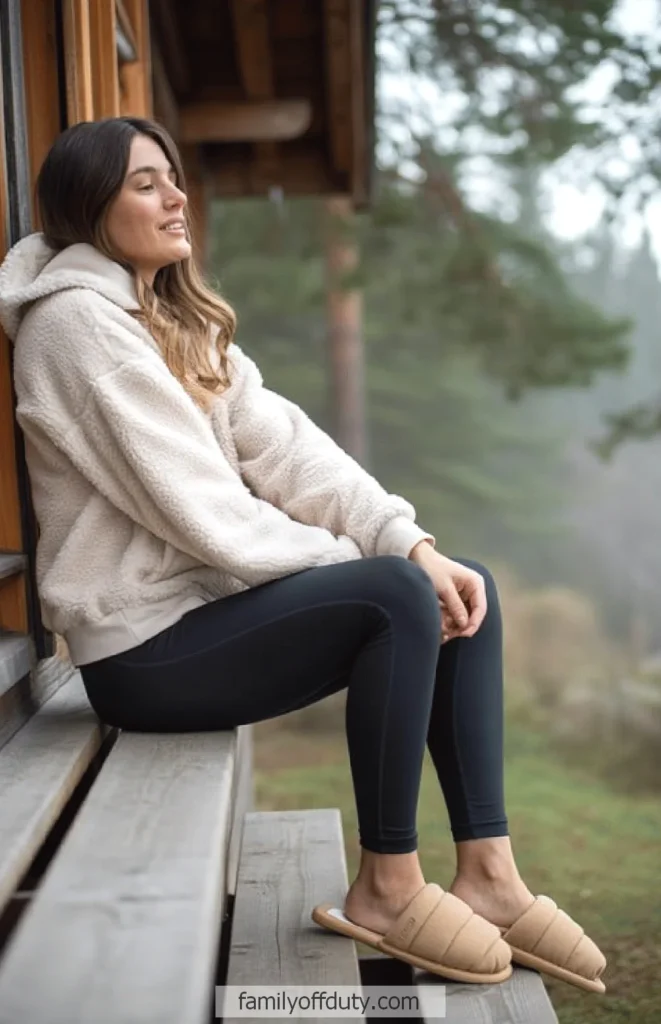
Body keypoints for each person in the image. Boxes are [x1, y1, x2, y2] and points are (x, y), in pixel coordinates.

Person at [0, 116, 606, 993]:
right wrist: (384, 576)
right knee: (398, 597)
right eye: (145, 183)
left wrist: (408, 538)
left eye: (172, 177)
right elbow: (203, 514)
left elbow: (290, 451)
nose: (176, 197)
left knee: (458, 583)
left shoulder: (168, 318)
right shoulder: (76, 330)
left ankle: (489, 878)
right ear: (88, 206)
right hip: (142, 654)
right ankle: (388, 889)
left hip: (201, 622)